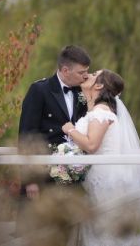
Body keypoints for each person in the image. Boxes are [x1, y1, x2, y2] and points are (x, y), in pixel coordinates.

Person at [61, 69, 140, 246]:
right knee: (99, 230)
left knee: (106, 232)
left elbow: (91, 145)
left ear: (98, 85)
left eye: (94, 74)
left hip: (105, 181)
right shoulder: (96, 110)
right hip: (98, 178)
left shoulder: (102, 112)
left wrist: (70, 130)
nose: (88, 75)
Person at [18, 45, 90, 199]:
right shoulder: (39, 90)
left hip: (74, 175)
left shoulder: (83, 92)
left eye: (87, 72)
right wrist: (30, 179)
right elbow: (27, 136)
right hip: (43, 173)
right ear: (65, 70)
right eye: (81, 72)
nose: (86, 76)